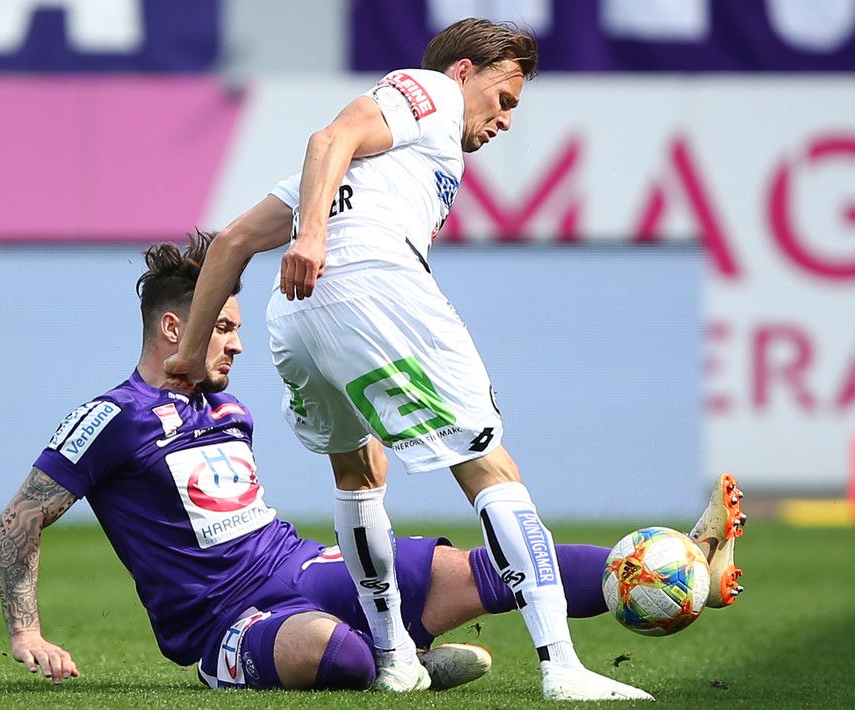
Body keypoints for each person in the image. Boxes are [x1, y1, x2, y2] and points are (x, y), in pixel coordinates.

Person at [163, 17, 746, 702]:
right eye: (504, 99)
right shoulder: (431, 92)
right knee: (490, 466)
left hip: (296, 317)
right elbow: (329, 135)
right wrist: (312, 236)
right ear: (466, 71)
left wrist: (188, 359)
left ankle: (395, 661)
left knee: (359, 471)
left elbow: (231, 242)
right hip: (373, 286)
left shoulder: (366, 170)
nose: (505, 121)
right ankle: (561, 666)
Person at [0, 234, 746, 699]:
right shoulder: (114, 418)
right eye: (222, 328)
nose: (238, 343)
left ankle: (685, 569)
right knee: (344, 659)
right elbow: (21, 518)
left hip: (300, 564)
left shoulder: (229, 409)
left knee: (487, 571)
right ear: (173, 327)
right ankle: (398, 655)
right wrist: (26, 632)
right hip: (225, 619)